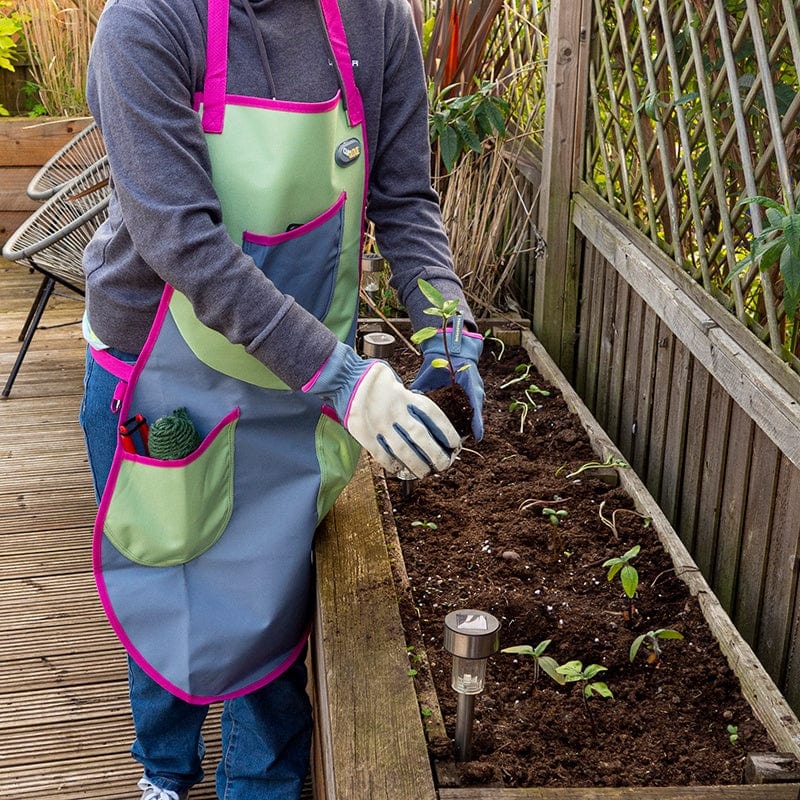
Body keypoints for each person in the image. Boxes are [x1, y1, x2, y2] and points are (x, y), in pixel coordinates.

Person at [78, 0, 484, 798]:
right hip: (160, 364)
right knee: (168, 570)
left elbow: (404, 201)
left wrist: (449, 332)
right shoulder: (150, 22)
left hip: (298, 370)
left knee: (268, 604)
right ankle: (163, 769)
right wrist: (347, 381)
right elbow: (181, 242)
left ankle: (259, 786)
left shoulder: (376, 24)